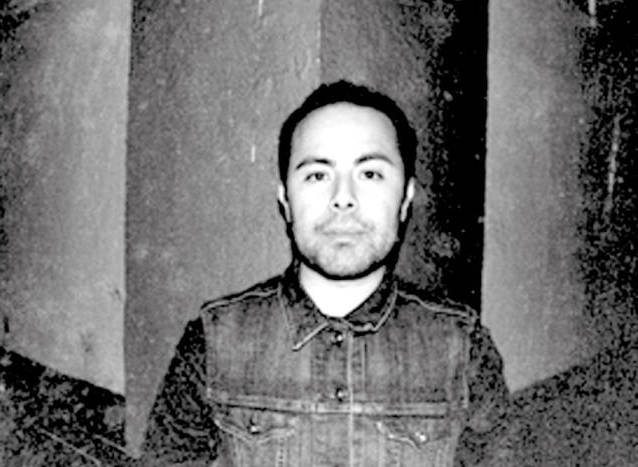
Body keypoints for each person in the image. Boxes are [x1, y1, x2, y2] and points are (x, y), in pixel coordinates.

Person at [140, 80, 510, 466]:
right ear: (285, 199)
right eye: (317, 175)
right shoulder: (213, 341)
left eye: (370, 174)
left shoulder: (463, 347)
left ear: (405, 199)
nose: (343, 198)